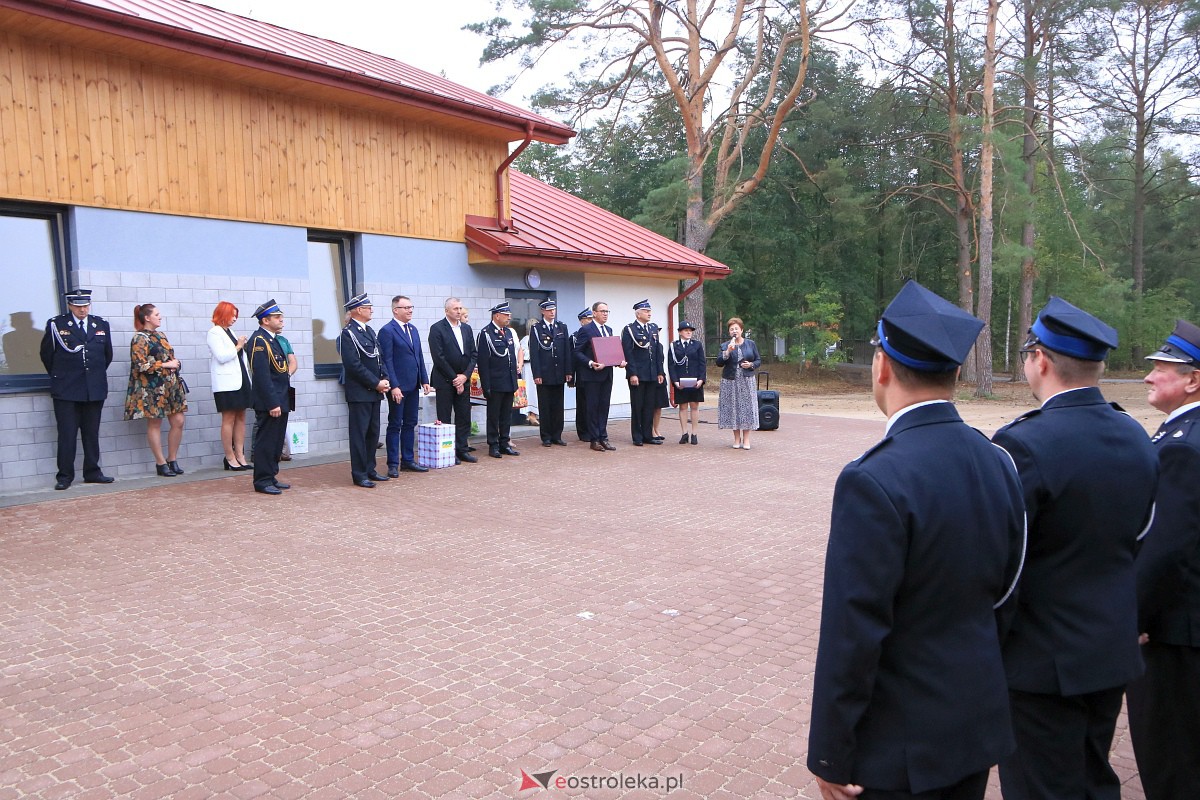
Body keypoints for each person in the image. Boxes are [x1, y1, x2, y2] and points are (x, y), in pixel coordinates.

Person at [808, 280, 1026, 800]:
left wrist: (830, 751)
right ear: (957, 374)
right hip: (973, 721)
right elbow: (1008, 590)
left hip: (897, 741)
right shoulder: (998, 459)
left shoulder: (872, 478)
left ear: (881, 366)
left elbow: (853, 630)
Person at [992, 296, 1158, 800]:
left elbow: (1004, 561)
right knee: (1092, 776)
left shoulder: (1023, 444)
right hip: (1109, 645)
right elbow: (1140, 536)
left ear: (1040, 359)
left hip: (1040, 658)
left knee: (1041, 786)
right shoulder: (1136, 435)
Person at [1125, 319, 1200, 800]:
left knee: (1171, 762)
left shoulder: (1183, 447)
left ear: (1193, 380)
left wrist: (1132, 618)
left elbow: (1165, 545)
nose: (1149, 376)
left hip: (1175, 632)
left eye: (1162, 368)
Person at [39, 289, 115, 490]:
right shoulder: (57, 324)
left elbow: (107, 355)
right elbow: (47, 355)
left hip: (93, 388)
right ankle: (65, 476)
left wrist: (92, 377)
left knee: (91, 433)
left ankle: (92, 472)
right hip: (67, 388)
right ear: (70, 306)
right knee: (67, 434)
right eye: (78, 306)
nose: (83, 310)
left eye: (86, 306)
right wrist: (63, 376)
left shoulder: (101, 325)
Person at [124, 303, 187, 477]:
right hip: (152, 388)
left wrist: (175, 363)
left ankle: (172, 459)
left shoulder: (160, 335)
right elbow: (140, 364)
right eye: (157, 314)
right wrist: (165, 365)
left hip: (170, 385)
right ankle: (160, 463)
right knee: (155, 423)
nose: (160, 317)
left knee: (178, 420)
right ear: (147, 317)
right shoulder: (139, 338)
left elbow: (168, 357)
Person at [339, 293, 391, 488]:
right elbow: (353, 365)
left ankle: (370, 469)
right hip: (360, 392)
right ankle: (359, 473)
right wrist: (375, 383)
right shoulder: (348, 334)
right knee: (359, 435)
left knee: (372, 433)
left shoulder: (369, 331)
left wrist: (385, 378)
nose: (372, 310)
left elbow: (379, 358)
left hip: (374, 392)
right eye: (368, 308)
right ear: (358, 310)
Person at [379, 294, 431, 477]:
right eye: (406, 307)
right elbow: (386, 360)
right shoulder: (387, 331)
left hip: (413, 385)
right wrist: (394, 385)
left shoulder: (413, 329)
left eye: (411, 307)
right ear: (396, 310)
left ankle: (408, 460)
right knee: (395, 424)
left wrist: (424, 379)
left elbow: (419, 356)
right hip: (398, 387)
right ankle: (393, 463)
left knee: (410, 423)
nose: (410, 310)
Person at [246, 299, 291, 495]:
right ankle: (262, 480)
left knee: (276, 441)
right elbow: (262, 375)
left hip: (281, 398)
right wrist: (272, 402)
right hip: (270, 402)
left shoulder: (272, 339)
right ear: (265, 320)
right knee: (266, 441)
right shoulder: (259, 340)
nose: (281, 320)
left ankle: (271, 475)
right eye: (276, 317)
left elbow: (281, 371)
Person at [428, 297, 478, 464]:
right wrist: (454, 378)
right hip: (444, 380)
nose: (459, 311)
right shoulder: (437, 329)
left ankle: (462, 449)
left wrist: (465, 376)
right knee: (445, 417)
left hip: (463, 379)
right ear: (446, 311)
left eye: (460, 308)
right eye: (455, 309)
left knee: (464, 416)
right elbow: (438, 357)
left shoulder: (466, 328)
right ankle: (448, 452)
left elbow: (473, 354)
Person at [573, 301, 624, 452]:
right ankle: (594, 439)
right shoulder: (586, 330)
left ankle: (603, 437)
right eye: (602, 311)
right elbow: (577, 352)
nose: (605, 314)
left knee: (604, 407)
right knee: (593, 407)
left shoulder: (608, 330)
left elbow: (610, 352)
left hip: (607, 374)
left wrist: (619, 361)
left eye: (607, 311)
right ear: (594, 313)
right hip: (592, 376)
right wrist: (590, 363)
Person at [207, 301, 252, 471]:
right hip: (226, 383)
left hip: (240, 379)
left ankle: (240, 455)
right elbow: (222, 356)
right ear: (223, 314)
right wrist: (238, 345)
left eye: (235, 316)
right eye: (232, 315)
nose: (234, 319)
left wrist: (242, 346)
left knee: (241, 416)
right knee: (228, 418)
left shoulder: (230, 332)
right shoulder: (214, 332)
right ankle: (229, 456)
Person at [476, 301, 521, 459]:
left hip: (509, 381)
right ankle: (493, 444)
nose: (509, 317)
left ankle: (504, 443)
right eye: (506, 315)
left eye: (509, 315)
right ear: (496, 316)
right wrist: (486, 385)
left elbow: (512, 357)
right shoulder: (486, 333)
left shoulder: (508, 332)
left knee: (506, 415)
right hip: (495, 382)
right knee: (493, 416)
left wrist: (515, 381)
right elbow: (483, 362)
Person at [528, 299, 573, 446]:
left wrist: (568, 370)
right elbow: (534, 353)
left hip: (559, 372)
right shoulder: (537, 328)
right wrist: (537, 374)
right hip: (545, 373)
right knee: (545, 406)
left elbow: (566, 350)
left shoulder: (561, 327)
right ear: (542, 311)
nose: (552, 312)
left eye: (553, 309)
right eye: (549, 310)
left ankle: (557, 435)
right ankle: (546, 436)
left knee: (558, 406)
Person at [621, 299, 666, 446]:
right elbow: (628, 353)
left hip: (652, 373)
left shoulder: (653, 328)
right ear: (638, 314)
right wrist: (632, 373)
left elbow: (657, 352)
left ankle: (648, 435)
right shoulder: (630, 329)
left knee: (649, 406)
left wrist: (660, 372)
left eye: (649, 311)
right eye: (646, 311)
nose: (649, 313)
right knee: (638, 406)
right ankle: (637, 436)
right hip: (638, 375)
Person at [716, 317, 761, 449]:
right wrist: (728, 352)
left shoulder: (750, 344)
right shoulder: (725, 345)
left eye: (736, 328)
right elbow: (719, 362)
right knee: (733, 408)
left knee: (746, 408)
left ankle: (746, 439)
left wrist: (751, 365)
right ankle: (736, 438)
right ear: (729, 332)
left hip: (746, 380)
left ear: (741, 330)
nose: (734, 331)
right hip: (730, 380)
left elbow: (758, 360)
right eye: (731, 329)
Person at [667, 321, 705, 444]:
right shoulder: (674, 346)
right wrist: (675, 381)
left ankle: (694, 433)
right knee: (683, 407)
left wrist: (701, 379)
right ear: (680, 332)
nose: (689, 332)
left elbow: (702, 363)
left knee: (694, 406)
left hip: (695, 381)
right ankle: (684, 433)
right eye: (686, 330)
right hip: (681, 382)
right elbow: (671, 365)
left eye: (690, 330)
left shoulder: (697, 345)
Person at [571, 308, 594, 442]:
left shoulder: (597, 333)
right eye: (588, 319)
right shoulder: (575, 337)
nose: (591, 321)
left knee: (593, 403)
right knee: (583, 404)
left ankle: (592, 429)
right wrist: (571, 376)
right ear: (581, 321)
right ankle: (583, 431)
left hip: (595, 373)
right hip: (581, 374)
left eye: (592, 319)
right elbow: (572, 357)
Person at [648, 320, 671, 441]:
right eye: (654, 332)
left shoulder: (660, 345)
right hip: (650, 378)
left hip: (660, 377)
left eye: (657, 332)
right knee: (651, 406)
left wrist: (661, 374)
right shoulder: (647, 346)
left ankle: (656, 429)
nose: (656, 334)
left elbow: (660, 362)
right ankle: (650, 430)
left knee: (659, 406)